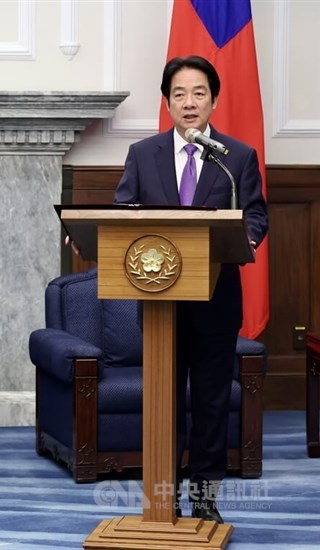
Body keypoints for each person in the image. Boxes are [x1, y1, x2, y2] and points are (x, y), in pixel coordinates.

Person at [112, 55, 268, 523]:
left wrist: (246, 239)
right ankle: (164, 498)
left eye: (199, 93)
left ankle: (203, 499)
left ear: (214, 100)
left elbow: (255, 215)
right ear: (166, 101)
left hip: (216, 303)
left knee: (211, 404)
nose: (189, 102)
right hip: (161, 306)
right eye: (178, 94)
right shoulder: (143, 155)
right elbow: (125, 211)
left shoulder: (235, 157)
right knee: (164, 403)